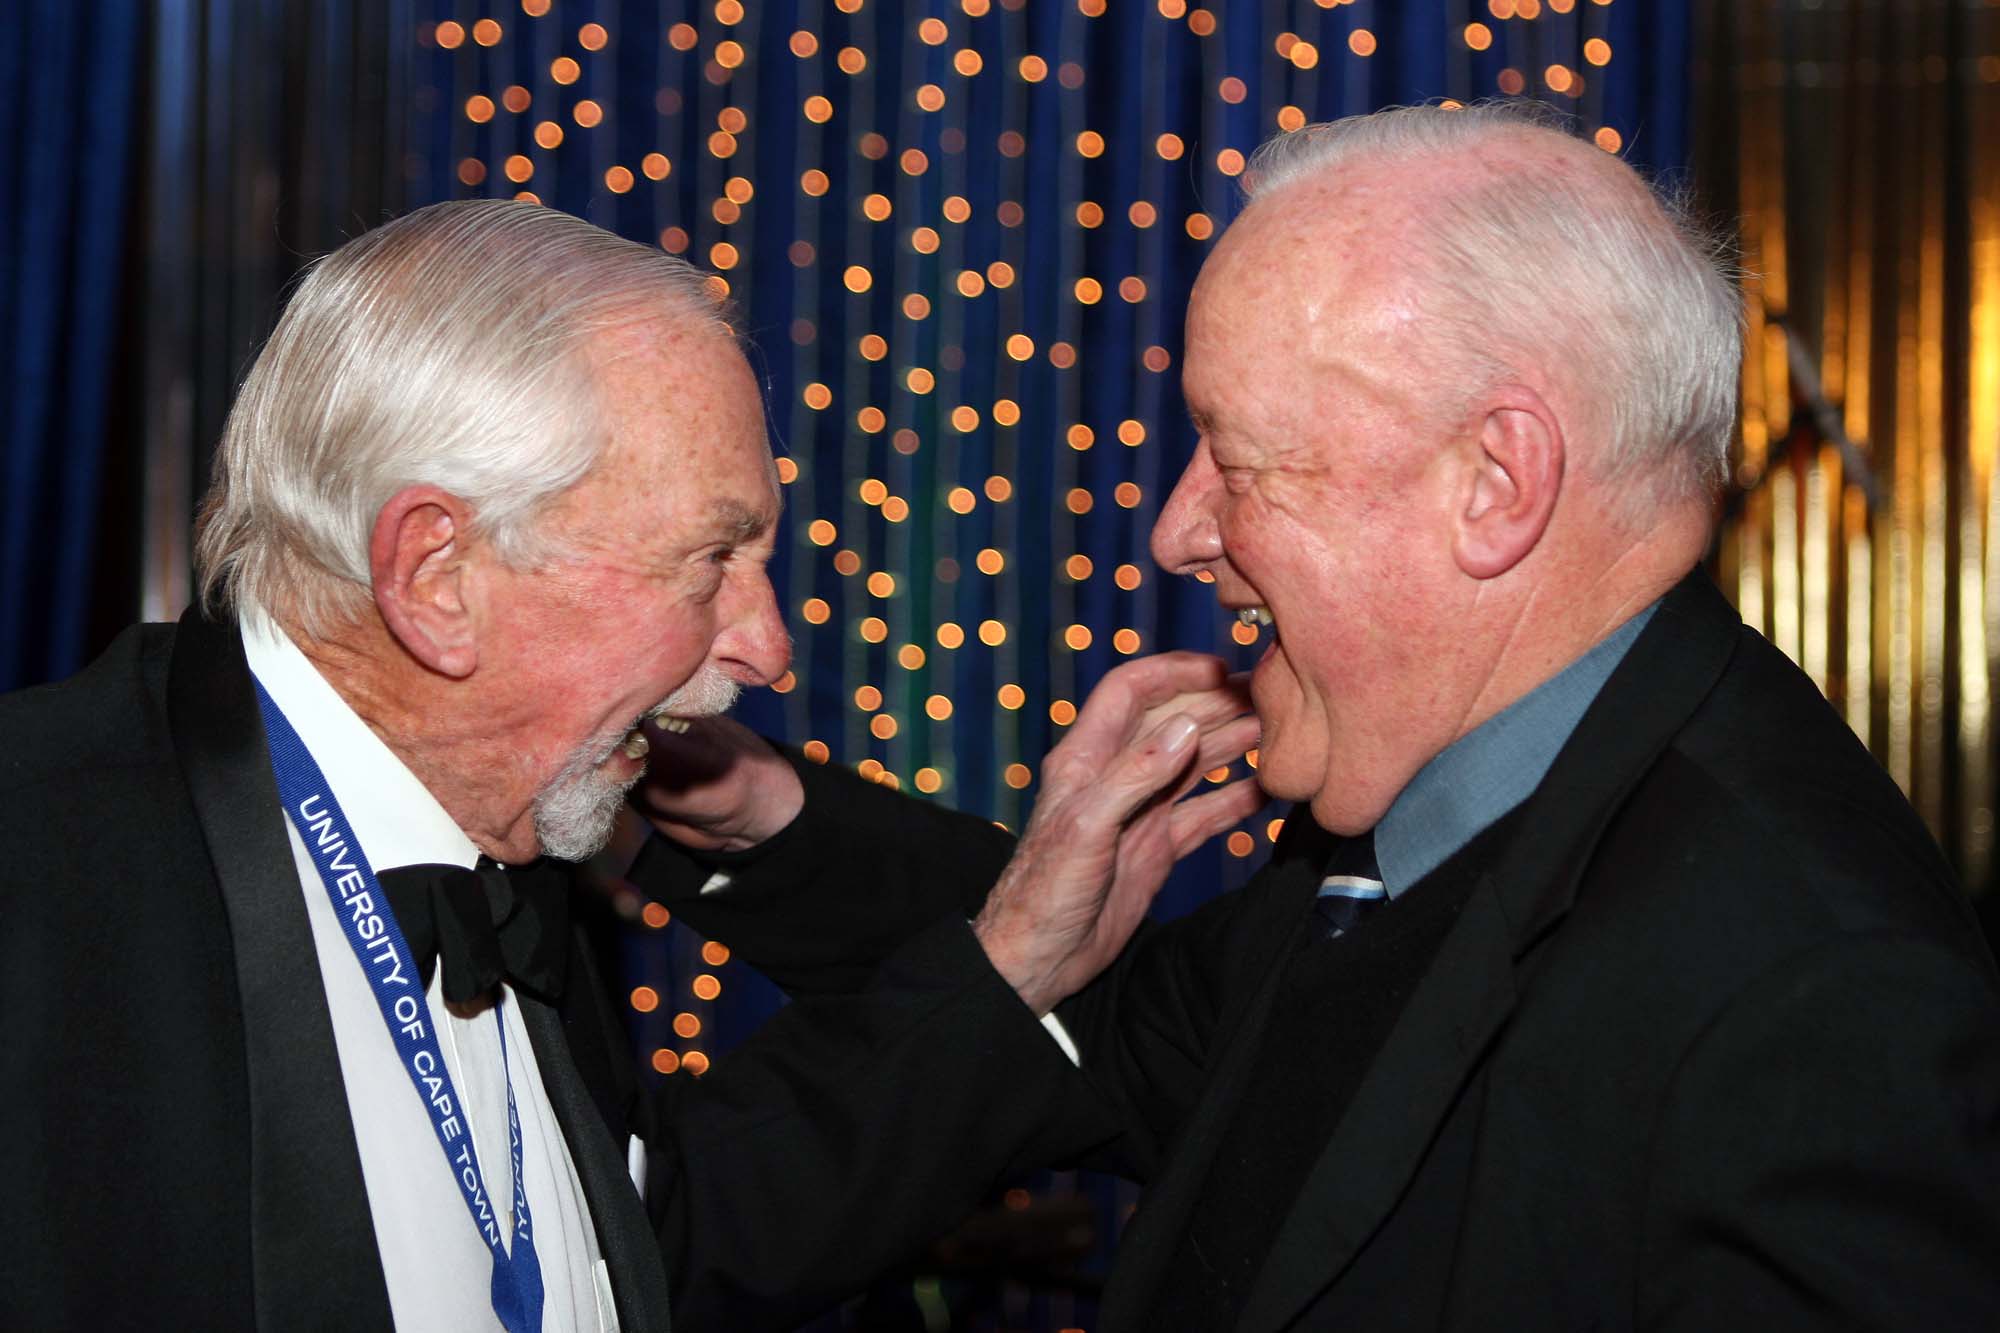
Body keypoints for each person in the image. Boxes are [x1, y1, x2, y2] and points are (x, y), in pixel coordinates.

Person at [661, 103, 2000, 1327]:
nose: (1179, 532)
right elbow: (1103, 1016)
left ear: (1495, 482)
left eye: (1235, 459)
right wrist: (768, 817)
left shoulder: (1814, 996)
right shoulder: (1429, 826)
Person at [0, 200, 1258, 1331]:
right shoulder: (43, 876)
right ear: (437, 579)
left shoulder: (516, 858)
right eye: (711, 561)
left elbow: (652, 1254)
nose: (767, 652)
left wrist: (1011, 955)